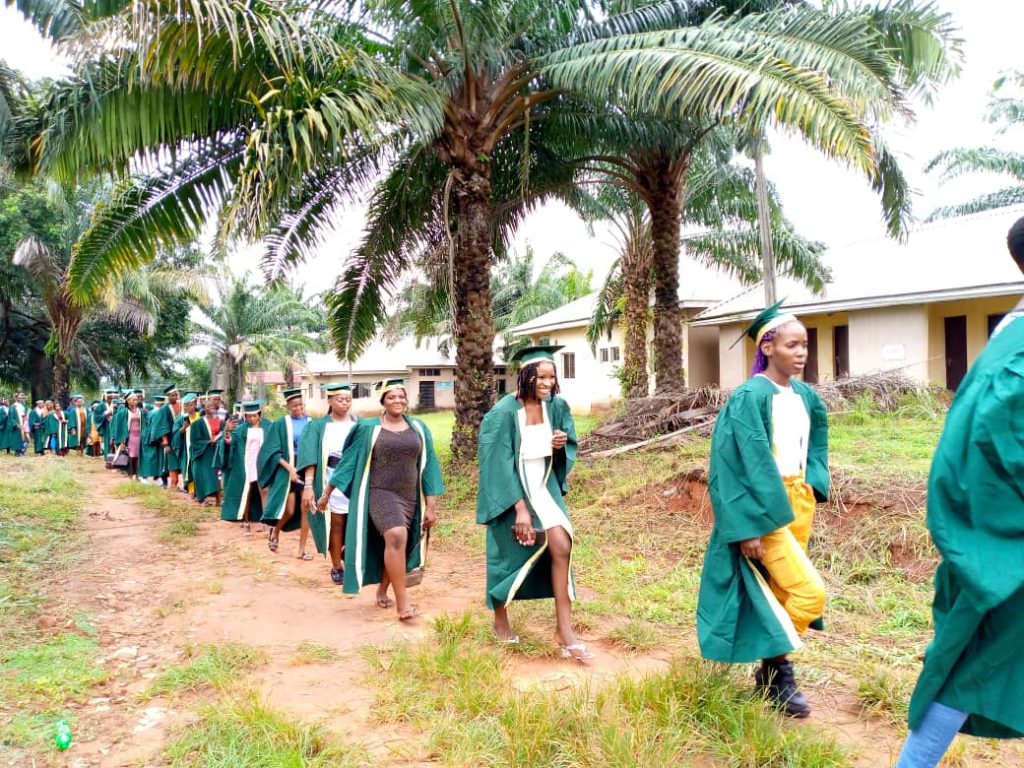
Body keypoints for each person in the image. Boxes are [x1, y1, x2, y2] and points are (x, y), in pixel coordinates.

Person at [893, 217, 1024, 767]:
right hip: (1005, 547)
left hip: (1003, 544)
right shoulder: (1014, 354)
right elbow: (982, 453)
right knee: (972, 664)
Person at [695, 302, 829, 719]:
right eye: (793, 345)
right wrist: (748, 525)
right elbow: (735, 464)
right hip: (764, 509)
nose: (801, 352)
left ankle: (772, 675)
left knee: (780, 591)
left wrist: (813, 481)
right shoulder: (749, 397)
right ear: (767, 347)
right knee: (810, 593)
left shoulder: (805, 395)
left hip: (797, 501)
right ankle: (778, 665)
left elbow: (819, 440)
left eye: (805, 344)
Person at [476, 346, 590, 659]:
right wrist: (520, 509)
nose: (548, 383)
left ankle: (564, 630)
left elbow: (568, 443)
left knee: (562, 546)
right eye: (541, 376)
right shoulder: (502, 413)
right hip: (513, 490)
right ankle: (500, 619)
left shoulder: (557, 406)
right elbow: (495, 461)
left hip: (545, 487)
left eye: (552, 377)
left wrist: (559, 444)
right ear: (525, 376)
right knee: (509, 556)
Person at [324, 379, 443, 621]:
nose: (397, 401)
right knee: (397, 535)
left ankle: (383, 588)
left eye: (401, 397)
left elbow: (429, 466)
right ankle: (403, 605)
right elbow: (348, 462)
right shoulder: (369, 428)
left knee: (398, 542)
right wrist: (327, 493)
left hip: (409, 495)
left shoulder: (419, 428)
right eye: (391, 397)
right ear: (383, 402)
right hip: (380, 492)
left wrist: (430, 505)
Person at [305, 383, 359, 585]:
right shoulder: (319, 426)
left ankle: (351, 557)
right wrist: (309, 485)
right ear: (330, 400)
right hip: (329, 479)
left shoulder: (358, 424)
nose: (344, 403)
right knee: (336, 524)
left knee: (354, 523)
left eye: (348, 399)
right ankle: (337, 566)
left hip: (355, 480)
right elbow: (310, 457)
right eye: (339, 399)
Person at [258, 388, 311, 555]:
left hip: (307, 466)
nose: (297, 408)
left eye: (300, 404)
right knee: (288, 510)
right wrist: (290, 468)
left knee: (306, 509)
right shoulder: (281, 423)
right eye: (294, 405)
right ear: (288, 406)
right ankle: (276, 531)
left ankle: (302, 550)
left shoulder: (312, 422)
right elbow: (272, 450)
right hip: (287, 468)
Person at [219, 401, 267, 534]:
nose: (251, 419)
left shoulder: (268, 426)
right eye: (248, 416)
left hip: (262, 464)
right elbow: (230, 443)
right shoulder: (240, 429)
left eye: (254, 416)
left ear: (259, 414)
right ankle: (246, 523)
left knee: (264, 491)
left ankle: (265, 522)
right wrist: (227, 434)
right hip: (246, 464)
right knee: (247, 492)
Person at [189, 395, 223, 506]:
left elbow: (223, 434)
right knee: (203, 474)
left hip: (216, 451)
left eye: (213, 405)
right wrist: (207, 442)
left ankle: (219, 500)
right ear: (204, 408)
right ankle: (202, 499)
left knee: (217, 475)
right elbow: (195, 440)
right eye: (208, 406)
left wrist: (219, 440)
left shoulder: (220, 421)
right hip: (204, 453)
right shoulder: (198, 423)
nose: (211, 407)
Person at [149, 385, 182, 487]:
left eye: (176, 395)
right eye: (172, 395)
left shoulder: (182, 406)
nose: (175, 397)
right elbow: (162, 426)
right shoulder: (164, 409)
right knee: (172, 462)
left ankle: (185, 485)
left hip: (182, 437)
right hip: (171, 439)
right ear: (168, 396)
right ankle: (173, 483)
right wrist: (165, 441)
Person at [111, 392, 147, 478]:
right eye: (133, 399)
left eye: (136, 399)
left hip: (139, 436)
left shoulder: (140, 411)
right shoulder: (123, 412)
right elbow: (119, 425)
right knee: (130, 456)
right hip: (129, 437)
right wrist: (122, 439)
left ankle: (137, 475)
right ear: (128, 401)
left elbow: (145, 424)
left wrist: (144, 435)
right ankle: (130, 474)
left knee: (138, 455)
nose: (136, 400)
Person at [172, 393, 200, 493]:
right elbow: (175, 434)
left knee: (199, 470)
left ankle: (200, 491)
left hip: (200, 448)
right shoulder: (181, 418)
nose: (189, 407)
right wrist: (183, 428)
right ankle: (191, 491)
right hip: (186, 449)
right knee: (189, 469)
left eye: (191, 404)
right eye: (187, 405)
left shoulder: (200, 416)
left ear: (196, 404)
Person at [139, 394, 167, 483]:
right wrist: (157, 439)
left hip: (146, 437)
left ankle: (152, 476)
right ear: (161, 405)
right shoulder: (158, 413)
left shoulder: (151, 412)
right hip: (154, 439)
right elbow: (155, 428)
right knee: (153, 459)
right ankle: (145, 477)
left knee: (150, 458)